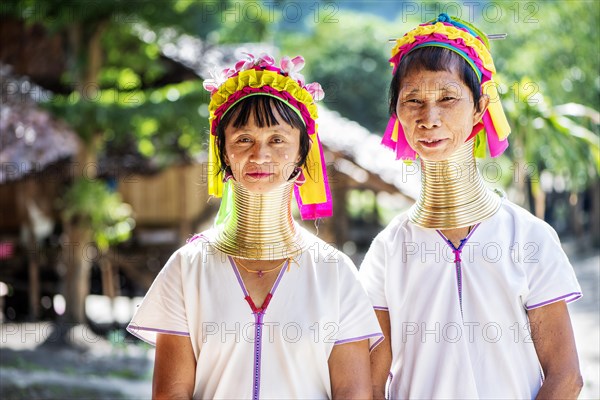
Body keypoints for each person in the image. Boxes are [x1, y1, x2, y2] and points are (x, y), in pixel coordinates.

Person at [127, 53, 382, 399]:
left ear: (301, 155)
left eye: (278, 140)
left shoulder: (334, 273)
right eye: (243, 139)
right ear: (223, 152)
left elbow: (353, 394)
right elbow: (170, 395)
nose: (260, 155)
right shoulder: (187, 268)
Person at [359, 14, 583, 399]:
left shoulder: (528, 237)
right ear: (396, 111)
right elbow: (372, 384)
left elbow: (565, 376)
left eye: (448, 98)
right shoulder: (388, 250)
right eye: (413, 100)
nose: (429, 118)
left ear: (480, 108)